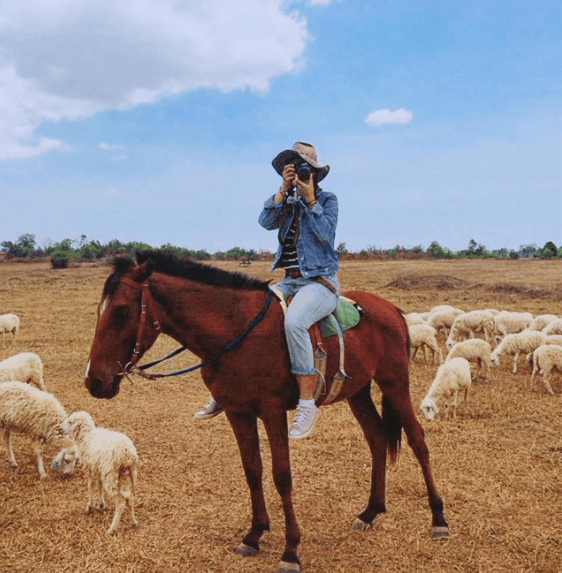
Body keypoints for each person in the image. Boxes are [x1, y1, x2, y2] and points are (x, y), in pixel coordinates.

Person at [194, 141, 340, 440]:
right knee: (246, 315)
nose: (297, 173)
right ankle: (226, 391)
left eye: (302, 169)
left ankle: (306, 402)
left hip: (320, 282)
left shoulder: (328, 200)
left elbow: (326, 235)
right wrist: (282, 192)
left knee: (295, 321)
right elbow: (264, 221)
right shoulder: (285, 201)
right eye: (292, 168)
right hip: (288, 280)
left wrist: (311, 200)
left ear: (312, 172)